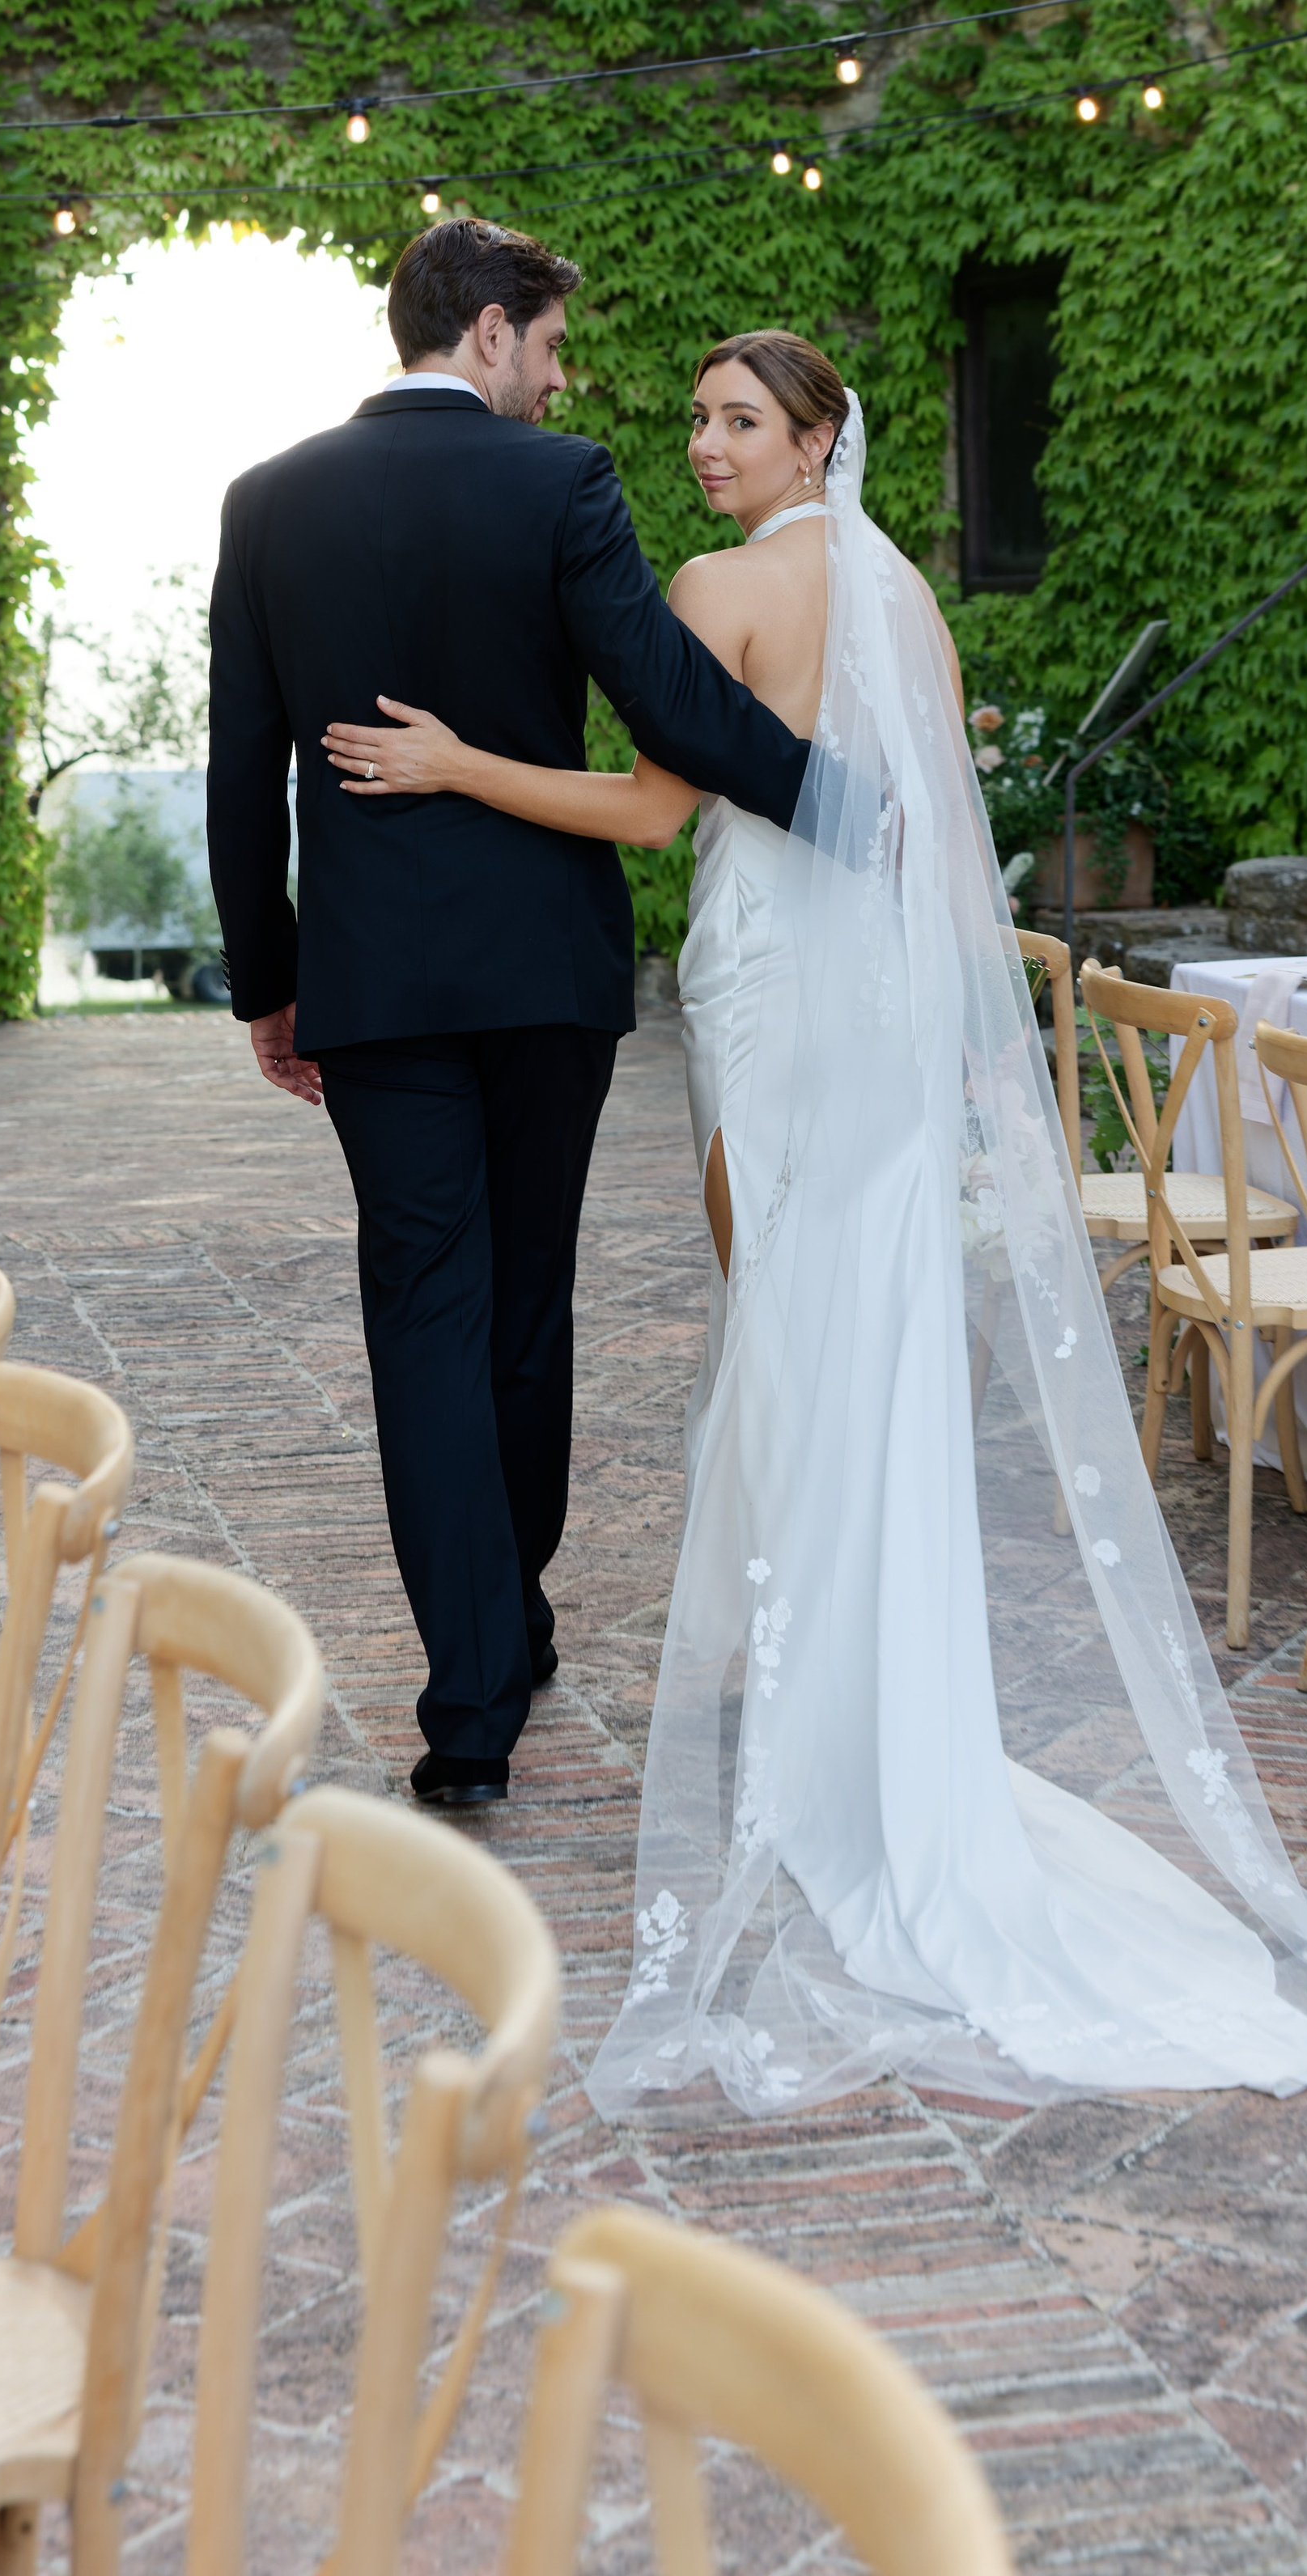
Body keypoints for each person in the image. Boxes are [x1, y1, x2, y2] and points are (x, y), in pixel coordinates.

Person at [324, 328, 1307, 2116]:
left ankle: (824, 1704)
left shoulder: (715, 587)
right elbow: (901, 818)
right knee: (861, 1306)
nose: (700, 446)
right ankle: (858, 1683)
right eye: (694, 420)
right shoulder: (906, 604)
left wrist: (452, 766)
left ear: (814, 437)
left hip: (766, 977)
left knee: (783, 1311)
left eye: (735, 420)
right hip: (880, 1002)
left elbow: (651, 808)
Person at [206, 225, 812, 1810]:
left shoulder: (267, 503)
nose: (557, 377)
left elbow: (239, 772)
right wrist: (847, 807)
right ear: (486, 333)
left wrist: (269, 983)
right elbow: (668, 706)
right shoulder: (557, 487)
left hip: (375, 990)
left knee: (421, 1310)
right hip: (543, 975)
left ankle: (471, 1695)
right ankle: (510, 1610)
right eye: (545, 346)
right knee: (522, 1302)